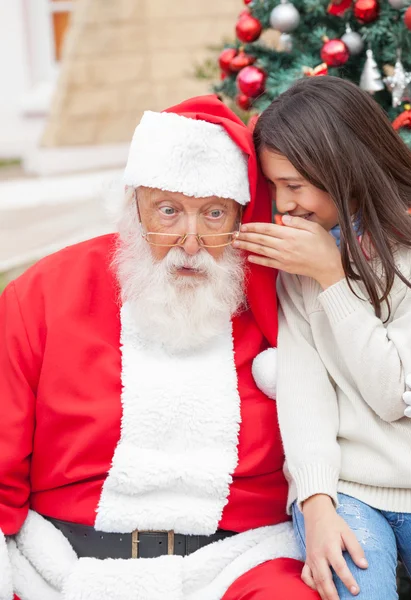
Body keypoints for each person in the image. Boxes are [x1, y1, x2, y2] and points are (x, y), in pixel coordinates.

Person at [0, 96, 320, 600]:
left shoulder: (281, 298)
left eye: (213, 214)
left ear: (240, 216)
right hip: (61, 564)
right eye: (168, 211)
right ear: (133, 207)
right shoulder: (42, 295)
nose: (190, 242)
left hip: (235, 564)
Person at [233, 76, 411, 600]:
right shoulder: (301, 257)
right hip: (343, 490)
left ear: (342, 166)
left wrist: (332, 278)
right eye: (274, 186)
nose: (285, 205)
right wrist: (315, 501)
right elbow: (304, 391)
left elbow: (395, 392)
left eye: (295, 184)